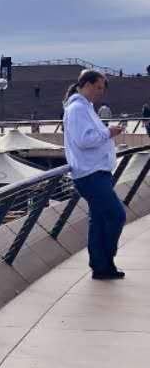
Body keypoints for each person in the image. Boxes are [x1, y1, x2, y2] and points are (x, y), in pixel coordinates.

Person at [62, 70, 127, 279]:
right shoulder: (78, 109)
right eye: (98, 87)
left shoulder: (85, 108)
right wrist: (109, 132)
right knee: (116, 215)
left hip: (95, 173)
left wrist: (106, 133)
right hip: (91, 175)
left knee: (99, 221)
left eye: (102, 89)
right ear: (86, 85)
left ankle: (102, 267)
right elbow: (84, 140)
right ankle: (105, 260)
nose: (100, 92)